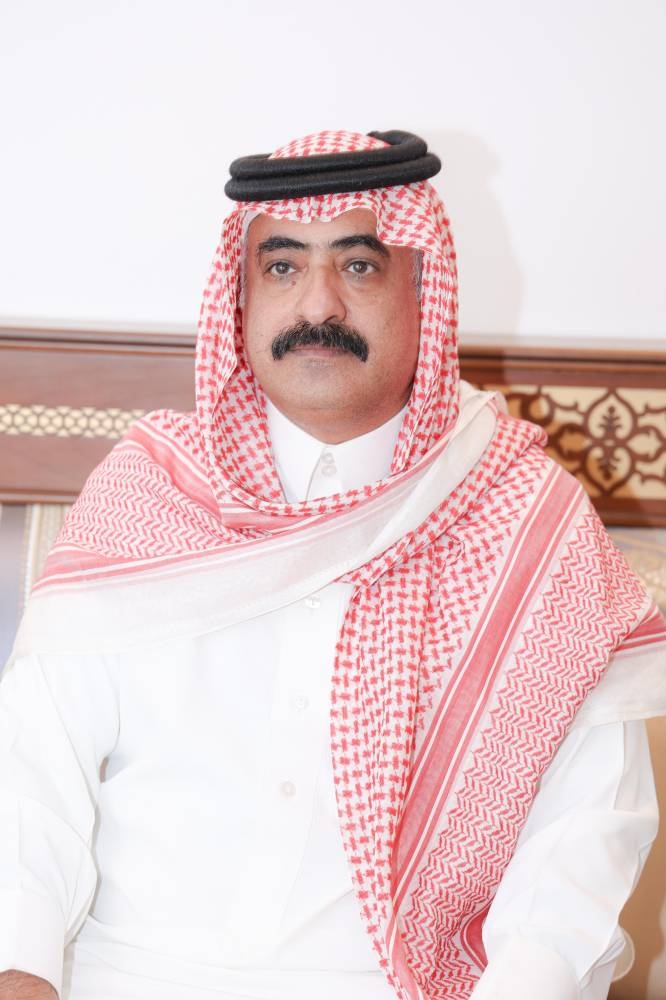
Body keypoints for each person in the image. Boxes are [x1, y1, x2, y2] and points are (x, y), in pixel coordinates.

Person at [0, 129, 664, 1000]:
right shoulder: (147, 495)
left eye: (358, 266)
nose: (318, 304)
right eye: (282, 267)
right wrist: (20, 973)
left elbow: (583, 833)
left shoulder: (527, 521)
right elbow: (29, 779)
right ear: (240, 297)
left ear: (423, 291)